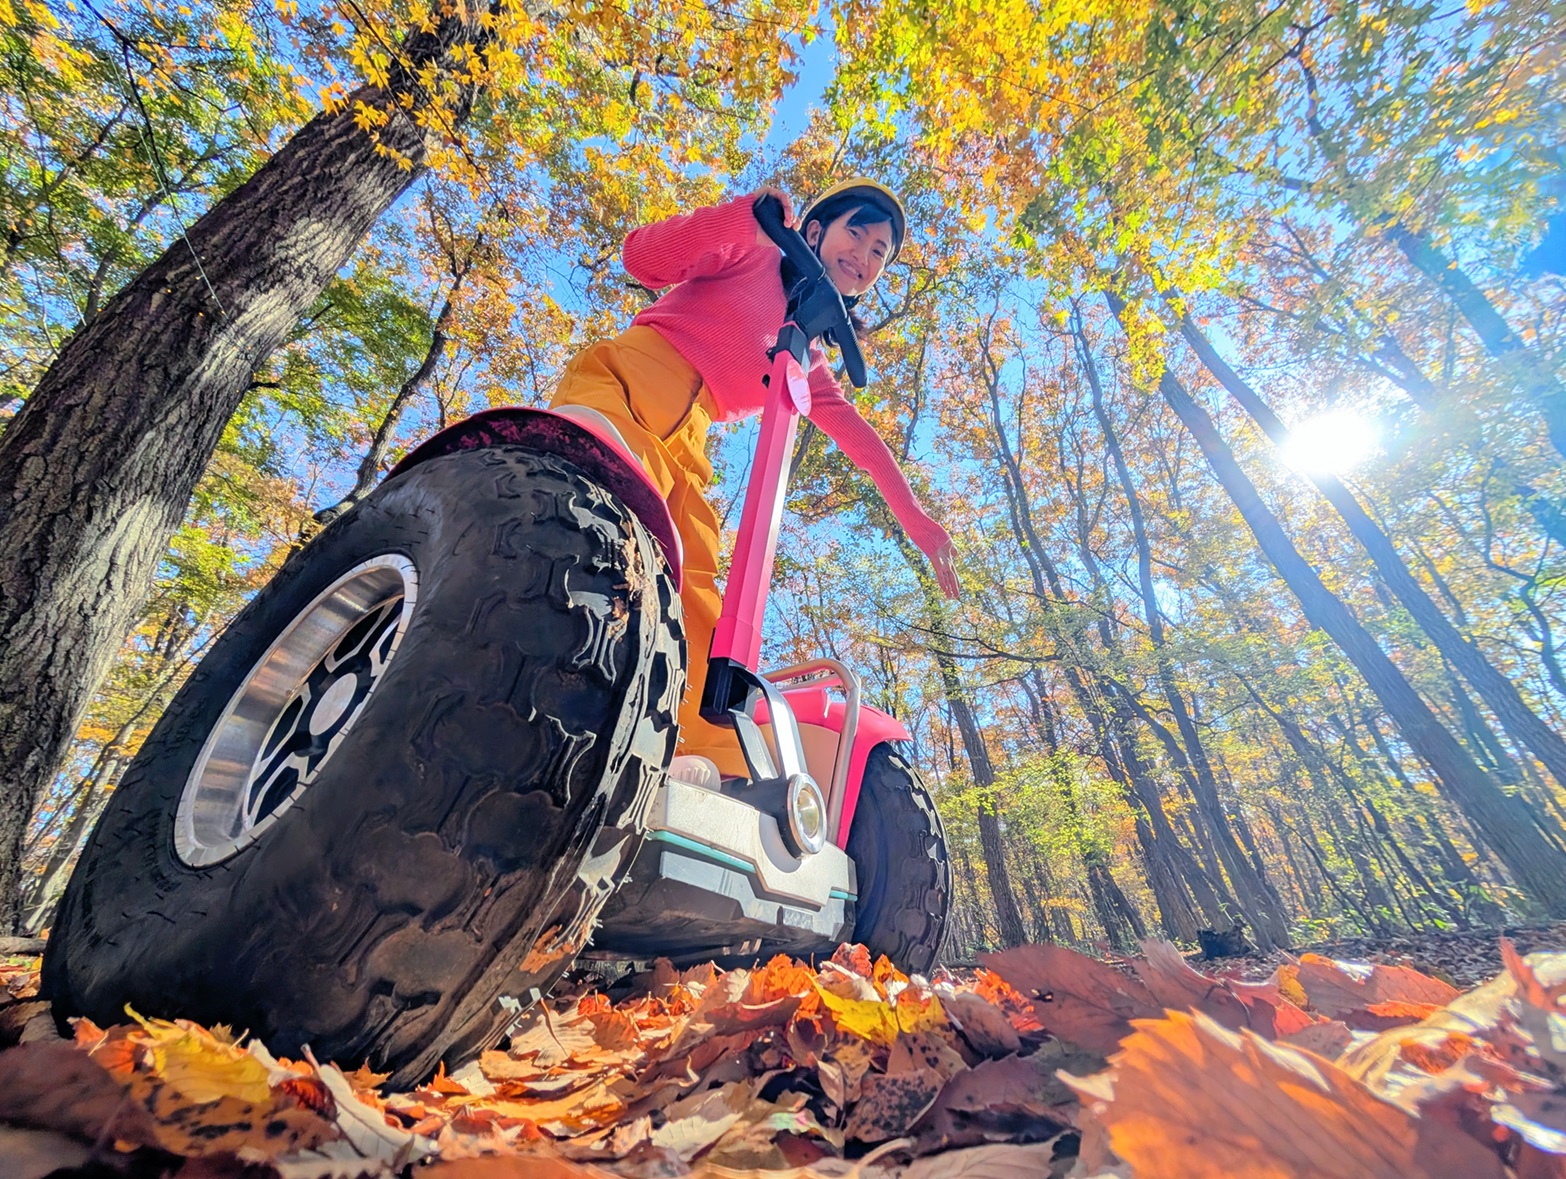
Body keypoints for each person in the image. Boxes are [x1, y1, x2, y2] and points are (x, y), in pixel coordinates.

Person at [548, 178, 958, 786]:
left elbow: (864, 445)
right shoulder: (757, 251)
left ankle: (708, 763)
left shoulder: (808, 360)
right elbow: (643, 257)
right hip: (627, 383)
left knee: (696, 591)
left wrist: (919, 522)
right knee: (603, 511)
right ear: (814, 232)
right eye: (858, 234)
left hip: (687, 442)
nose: (865, 257)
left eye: (880, 253)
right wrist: (741, 220)